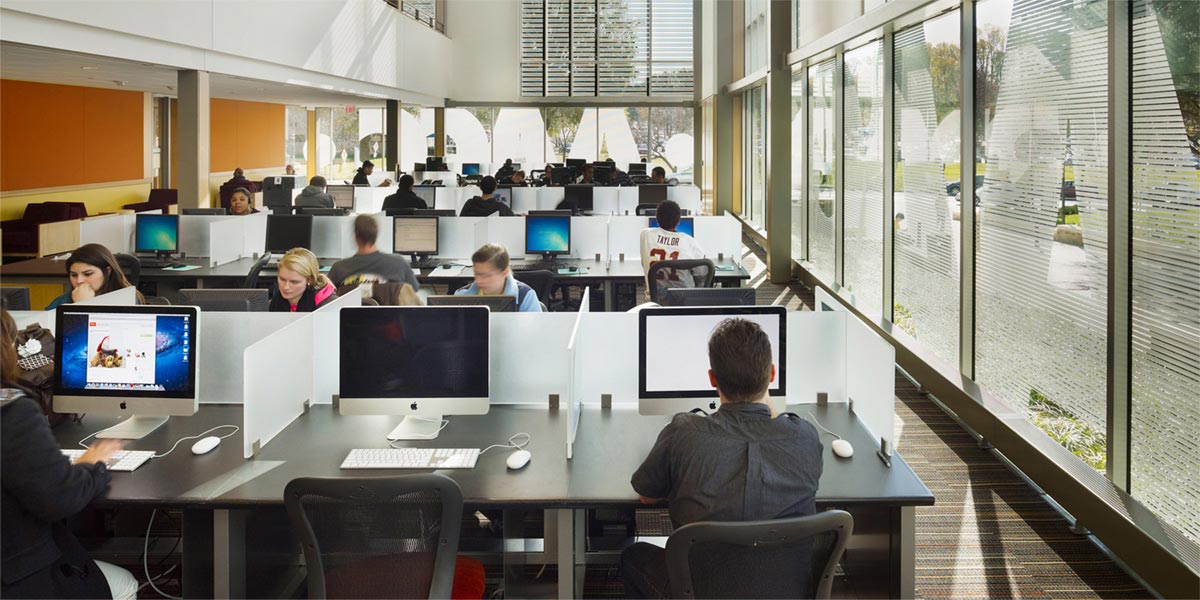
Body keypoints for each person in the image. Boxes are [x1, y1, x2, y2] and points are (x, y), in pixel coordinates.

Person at [619, 318, 823, 598]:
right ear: (772, 374)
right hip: (785, 589)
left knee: (634, 555)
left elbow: (647, 496)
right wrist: (765, 397)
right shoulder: (805, 438)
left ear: (712, 378)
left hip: (701, 588)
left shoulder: (684, 432)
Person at [1, 308, 140, 600]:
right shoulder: (11, 411)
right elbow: (61, 499)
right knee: (123, 583)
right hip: (16, 579)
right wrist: (92, 465)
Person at [328, 215, 421, 290]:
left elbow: (327, 300)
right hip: (389, 314)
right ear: (376, 234)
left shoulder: (339, 268)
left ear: (356, 236)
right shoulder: (398, 264)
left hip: (351, 314)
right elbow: (413, 290)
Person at [45, 244, 145, 310]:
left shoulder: (126, 299)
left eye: (88, 274)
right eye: (74, 275)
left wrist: (83, 306)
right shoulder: (63, 301)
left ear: (108, 271)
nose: (79, 281)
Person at [639, 200, 705, 295]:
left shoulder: (645, 235)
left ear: (657, 218)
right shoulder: (689, 241)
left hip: (656, 302)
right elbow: (702, 272)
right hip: (685, 301)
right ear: (678, 221)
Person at [454, 244, 542, 312]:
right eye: (477, 274)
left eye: (486, 276)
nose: (479, 281)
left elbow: (536, 333)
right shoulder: (461, 296)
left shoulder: (526, 296)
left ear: (504, 272)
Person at [270, 248, 338, 312]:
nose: (286, 287)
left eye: (294, 282)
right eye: (282, 279)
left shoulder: (328, 304)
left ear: (309, 280)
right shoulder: (276, 300)